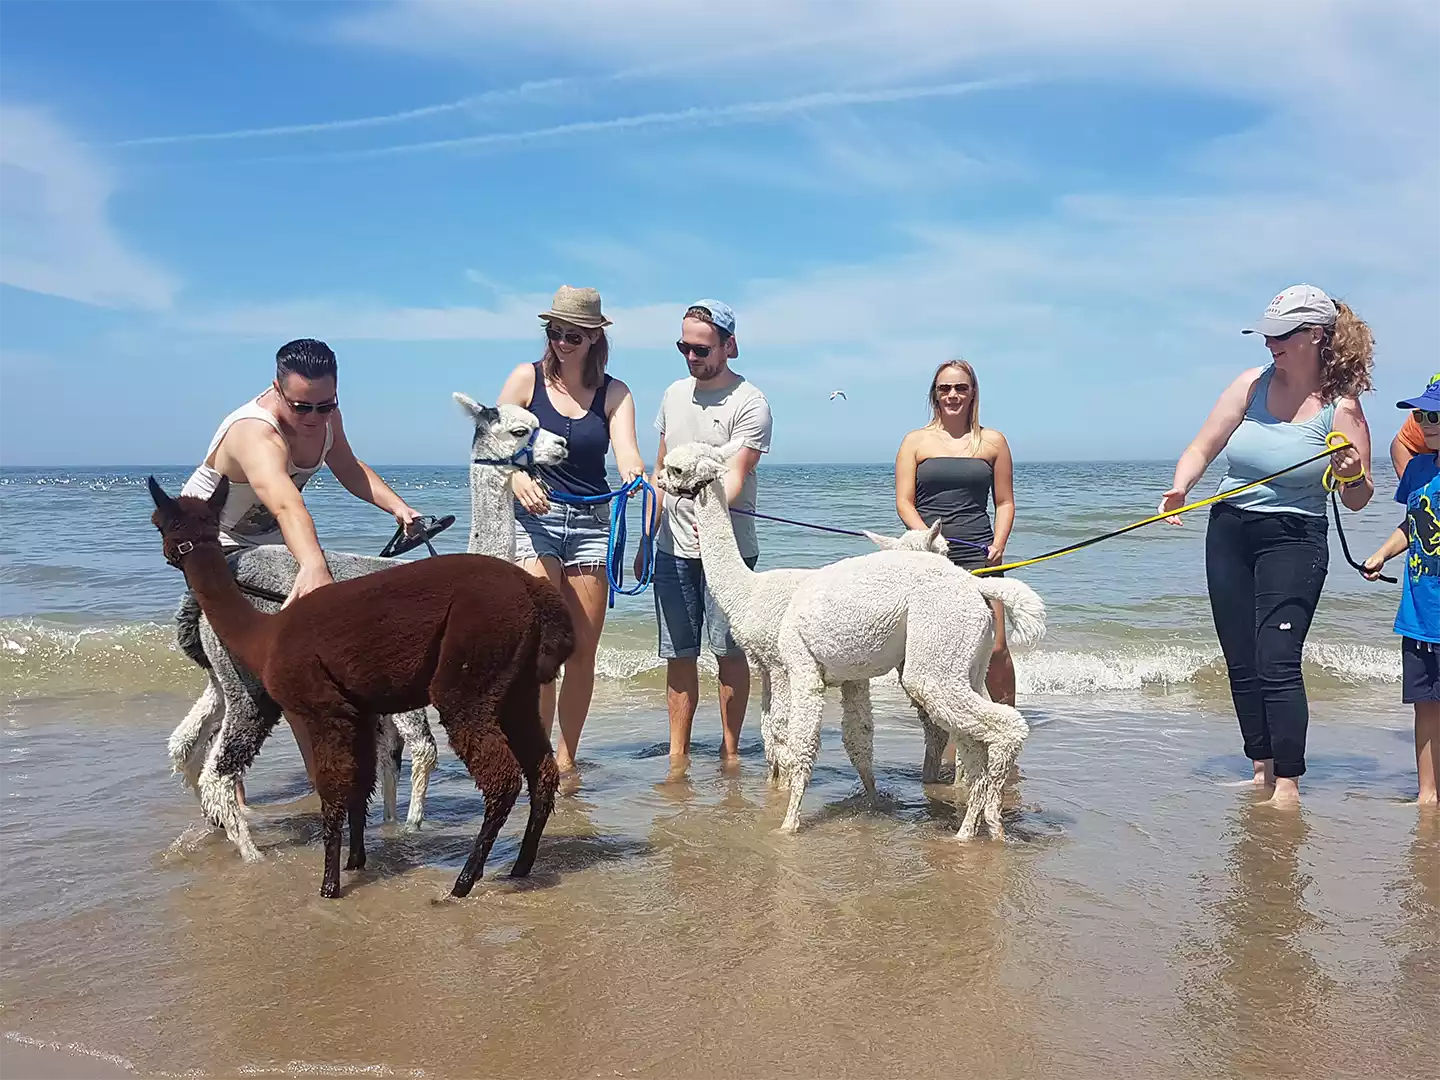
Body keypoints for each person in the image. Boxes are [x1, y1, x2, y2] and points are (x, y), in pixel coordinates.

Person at [1159, 284, 1375, 808]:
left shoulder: (1340, 407)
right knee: (1241, 657)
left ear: (1315, 336)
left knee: (1277, 657)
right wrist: (1182, 485)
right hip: (1230, 528)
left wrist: (1350, 473)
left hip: (1294, 536)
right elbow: (1203, 444)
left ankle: (1288, 785)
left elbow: (1359, 499)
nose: (1270, 344)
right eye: (1267, 334)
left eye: (1281, 335)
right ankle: (1261, 769)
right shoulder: (1249, 384)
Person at [180, 337, 424, 786]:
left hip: (270, 542)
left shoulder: (328, 418)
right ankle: (310, 783)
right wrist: (313, 565)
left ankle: (331, 774)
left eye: (324, 405)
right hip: (212, 545)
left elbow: (349, 467)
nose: (314, 418)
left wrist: (398, 507)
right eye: (302, 407)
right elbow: (286, 504)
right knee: (290, 664)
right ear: (276, 388)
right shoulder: (254, 433)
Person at [497, 286, 645, 779]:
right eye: (555, 332)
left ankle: (566, 758)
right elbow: (492, 444)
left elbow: (626, 451)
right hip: (535, 520)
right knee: (543, 644)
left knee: (582, 649)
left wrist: (633, 474)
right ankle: (537, 755)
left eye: (574, 335)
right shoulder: (526, 379)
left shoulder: (615, 392)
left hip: (592, 523)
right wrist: (517, 476)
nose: (562, 341)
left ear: (595, 337)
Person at [642, 300, 773, 776]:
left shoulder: (751, 402)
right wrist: (643, 540)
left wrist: (711, 517)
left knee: (729, 651)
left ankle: (730, 752)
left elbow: (737, 472)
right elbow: (660, 470)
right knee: (679, 655)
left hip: (730, 551)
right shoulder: (673, 395)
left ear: (728, 345)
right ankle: (677, 757)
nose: (692, 357)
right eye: (684, 347)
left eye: (701, 348)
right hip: (670, 548)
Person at [894, 359, 1016, 706]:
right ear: (934, 395)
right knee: (942, 650)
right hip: (931, 558)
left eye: (960, 387)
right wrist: (930, 539)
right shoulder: (915, 442)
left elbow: (1004, 503)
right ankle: (947, 745)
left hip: (980, 551)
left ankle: (1007, 731)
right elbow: (904, 503)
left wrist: (999, 542)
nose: (953, 395)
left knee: (995, 647)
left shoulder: (993, 442)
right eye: (944, 388)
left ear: (972, 392)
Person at [1363, 378, 1440, 806]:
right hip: (1419, 613)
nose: (1424, 423)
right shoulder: (1417, 470)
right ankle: (1427, 796)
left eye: (1435, 416)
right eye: (1420, 415)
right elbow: (1414, 525)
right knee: (1425, 707)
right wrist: (1381, 555)